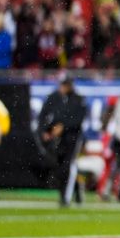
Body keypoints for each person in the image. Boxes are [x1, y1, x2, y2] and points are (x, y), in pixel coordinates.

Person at [37, 76, 87, 207]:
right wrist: (45, 131)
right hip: (58, 139)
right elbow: (44, 115)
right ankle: (76, 187)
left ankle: (65, 197)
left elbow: (78, 120)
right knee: (60, 166)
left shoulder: (78, 100)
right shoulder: (54, 97)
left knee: (68, 166)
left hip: (72, 137)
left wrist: (63, 127)